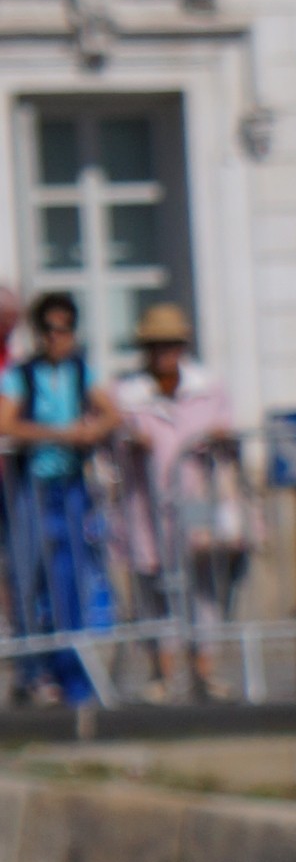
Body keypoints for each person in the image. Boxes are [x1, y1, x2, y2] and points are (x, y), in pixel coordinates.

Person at [111, 305, 246, 698]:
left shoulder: (208, 388)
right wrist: (128, 443)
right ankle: (161, 673)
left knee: (201, 583)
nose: (165, 352)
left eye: (171, 344)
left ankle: (203, 670)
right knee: (152, 586)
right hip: (143, 501)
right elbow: (111, 446)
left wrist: (224, 438)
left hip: (195, 496)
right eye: (156, 345)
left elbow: (231, 439)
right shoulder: (128, 394)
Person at [2, 291, 118, 702]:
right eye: (51, 330)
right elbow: (7, 423)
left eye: (65, 329)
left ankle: (72, 671)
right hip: (29, 489)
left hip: (70, 486)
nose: (59, 338)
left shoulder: (81, 371)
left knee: (71, 579)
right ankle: (33, 670)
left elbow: (111, 411)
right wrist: (60, 434)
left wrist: (93, 429)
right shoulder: (23, 375)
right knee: (27, 577)